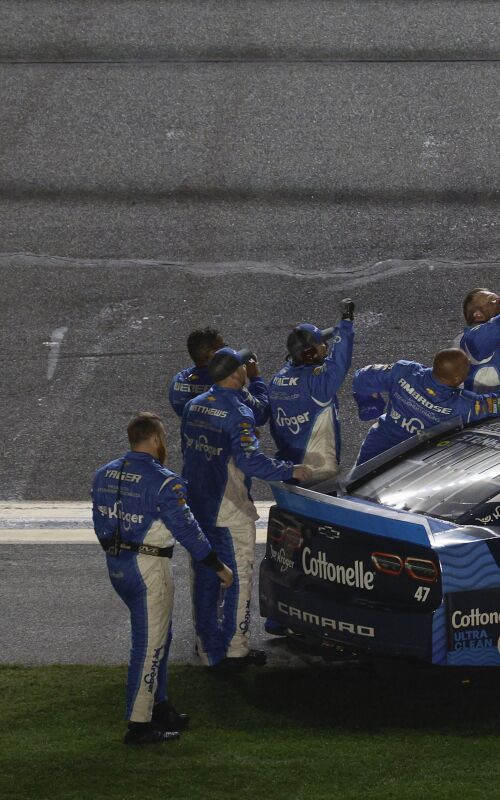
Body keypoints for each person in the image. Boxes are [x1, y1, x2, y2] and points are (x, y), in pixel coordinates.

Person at [92, 412, 234, 745]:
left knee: (160, 638)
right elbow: (188, 530)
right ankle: (139, 725)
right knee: (149, 645)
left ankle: (161, 705)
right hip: (148, 569)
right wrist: (217, 566)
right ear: (156, 439)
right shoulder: (164, 481)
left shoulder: (103, 474)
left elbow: (98, 520)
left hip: (118, 566)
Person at [181, 346, 311, 668]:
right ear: (235, 373)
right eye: (242, 366)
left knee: (205, 575)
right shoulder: (239, 413)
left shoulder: (194, 406)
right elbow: (250, 461)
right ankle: (235, 648)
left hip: (197, 505)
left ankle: (206, 648)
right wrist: (289, 469)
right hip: (228, 508)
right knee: (238, 575)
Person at [352, 348, 500, 466]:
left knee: (351, 491)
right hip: (414, 461)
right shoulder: (463, 405)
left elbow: (362, 376)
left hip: (377, 445)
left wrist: (368, 403)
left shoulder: (404, 371)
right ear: (458, 379)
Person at [268, 299, 356, 485]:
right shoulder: (316, 384)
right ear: (310, 354)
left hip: (289, 470)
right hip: (317, 474)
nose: (326, 346)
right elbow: (339, 363)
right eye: (322, 343)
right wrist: (346, 324)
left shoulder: (276, 380)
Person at [168, 327, 270, 425]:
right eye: (224, 346)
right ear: (213, 354)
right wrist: (255, 378)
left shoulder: (178, 381)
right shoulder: (228, 383)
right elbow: (261, 414)